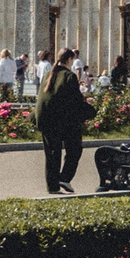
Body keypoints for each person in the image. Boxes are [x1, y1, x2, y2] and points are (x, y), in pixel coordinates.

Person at [38, 46, 93, 195]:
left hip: (45, 118)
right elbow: (76, 101)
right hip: (62, 120)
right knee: (75, 149)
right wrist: (91, 110)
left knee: (52, 153)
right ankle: (65, 177)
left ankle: (53, 186)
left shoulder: (49, 74)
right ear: (69, 59)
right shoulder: (69, 76)